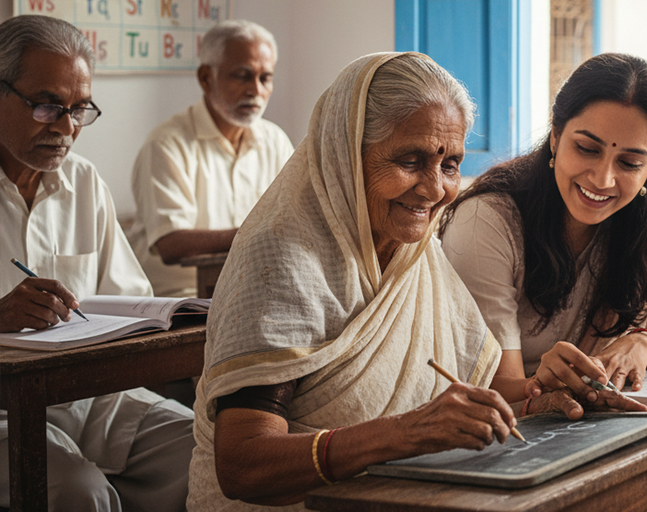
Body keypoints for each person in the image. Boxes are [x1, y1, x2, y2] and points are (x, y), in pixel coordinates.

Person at [186, 52, 524, 511]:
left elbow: (481, 395)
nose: (434, 188)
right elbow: (243, 465)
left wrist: (548, 395)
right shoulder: (284, 256)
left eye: (449, 165)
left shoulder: (415, 254)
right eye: (410, 159)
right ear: (344, 155)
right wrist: (405, 433)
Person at [440, 53, 647, 511]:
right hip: (506, 430)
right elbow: (495, 389)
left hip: (591, 418)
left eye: (630, 162)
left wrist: (643, 344)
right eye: (587, 148)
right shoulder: (490, 218)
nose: (602, 178)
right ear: (556, 134)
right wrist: (544, 386)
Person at [0, 15, 194, 511]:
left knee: (211, 453)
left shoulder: (83, 182)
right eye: (47, 106)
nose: (67, 128)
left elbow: (129, 304)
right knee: (75, 491)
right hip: (5, 414)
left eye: (80, 108)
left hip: (94, 404)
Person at [129, 19, 294, 297]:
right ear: (206, 78)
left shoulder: (274, 140)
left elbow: (296, 217)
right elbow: (170, 243)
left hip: (250, 293)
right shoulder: (166, 144)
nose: (255, 90)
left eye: (265, 78)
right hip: (180, 303)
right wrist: (256, 233)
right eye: (242, 75)